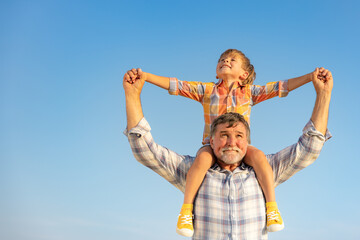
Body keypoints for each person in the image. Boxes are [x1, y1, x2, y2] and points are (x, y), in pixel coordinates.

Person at [124, 49, 324, 236]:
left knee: (260, 157)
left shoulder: (250, 92)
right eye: (221, 60)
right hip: (210, 148)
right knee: (201, 161)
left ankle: (272, 207)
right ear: (217, 70)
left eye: (231, 60)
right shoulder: (207, 90)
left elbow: (282, 87)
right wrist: (146, 77)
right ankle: (186, 211)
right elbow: (177, 85)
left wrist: (310, 78)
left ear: (244, 74)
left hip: (244, 152)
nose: (225, 61)